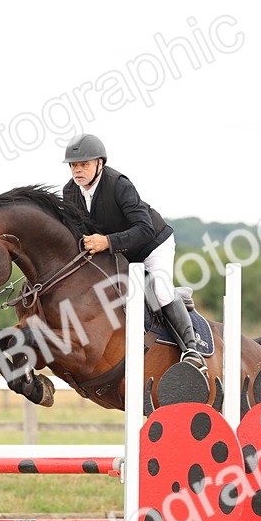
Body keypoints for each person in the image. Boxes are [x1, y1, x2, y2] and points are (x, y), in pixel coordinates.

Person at [61, 133, 205, 372]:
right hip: (117, 253)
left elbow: (145, 229)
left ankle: (192, 350)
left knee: (158, 287)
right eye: (74, 165)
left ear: (100, 163)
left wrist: (107, 242)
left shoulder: (119, 185)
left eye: (84, 164)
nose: (77, 170)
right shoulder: (70, 192)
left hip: (151, 244)